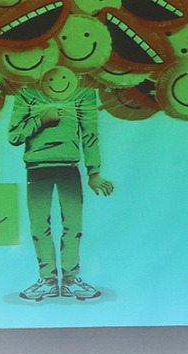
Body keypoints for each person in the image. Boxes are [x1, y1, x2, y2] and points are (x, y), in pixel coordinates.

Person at [8, 86, 114, 302]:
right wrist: (41, 119)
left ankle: (70, 280)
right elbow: (14, 136)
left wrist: (94, 172)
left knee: (73, 225)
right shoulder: (27, 94)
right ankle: (47, 280)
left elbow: (90, 133)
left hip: (69, 167)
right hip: (37, 168)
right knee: (39, 226)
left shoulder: (83, 93)